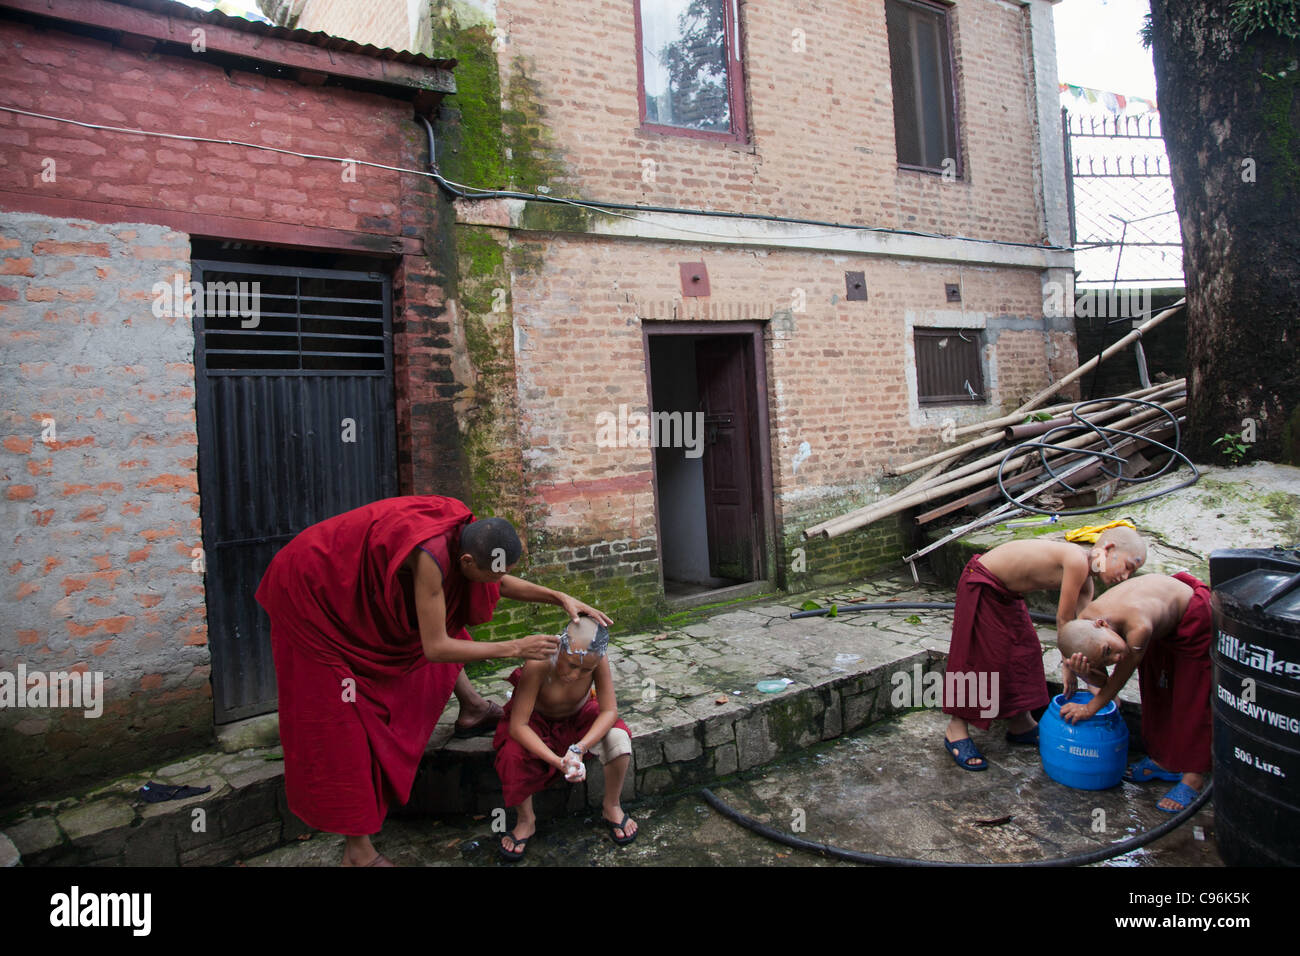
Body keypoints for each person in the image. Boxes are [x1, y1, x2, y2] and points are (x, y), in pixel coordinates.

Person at [254, 495, 611, 866]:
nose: (497, 584)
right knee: (345, 714)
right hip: (311, 590)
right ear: (466, 561)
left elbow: (497, 582)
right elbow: (436, 648)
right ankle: (358, 851)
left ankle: (471, 707)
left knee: (440, 623)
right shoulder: (431, 560)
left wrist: (559, 597)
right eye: (492, 575)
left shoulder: (463, 533)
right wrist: (513, 646)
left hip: (344, 580)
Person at [941, 526, 1147, 771]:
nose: (1124, 577)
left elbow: (1085, 637)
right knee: (979, 658)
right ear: (1109, 549)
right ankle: (956, 727)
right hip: (983, 582)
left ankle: (1020, 723)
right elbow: (1065, 623)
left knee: (1025, 651)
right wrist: (1069, 670)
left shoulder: (1087, 585)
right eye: (1127, 566)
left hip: (1007, 595)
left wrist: (1098, 685)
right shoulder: (1076, 560)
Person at [1056, 571, 1211, 813]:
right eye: (1108, 658)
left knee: (1191, 698)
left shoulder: (1138, 628)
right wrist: (1084, 672)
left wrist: (1090, 708)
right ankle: (1164, 761)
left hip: (1193, 615)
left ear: (1102, 624)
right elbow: (1100, 674)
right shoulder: (1086, 622)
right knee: (1156, 691)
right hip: (1162, 620)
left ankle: (1193, 777)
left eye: (1109, 650)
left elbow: (1119, 677)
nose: (1117, 657)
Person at [493, 614, 636, 861]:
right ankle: (527, 819)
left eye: (585, 670)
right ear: (561, 646)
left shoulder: (598, 660)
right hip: (535, 721)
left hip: (579, 716)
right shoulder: (539, 662)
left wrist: (580, 748)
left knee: (619, 739)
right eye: (571, 664)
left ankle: (612, 805)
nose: (575, 674)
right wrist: (558, 761)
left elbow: (609, 710)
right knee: (512, 754)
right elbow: (518, 726)